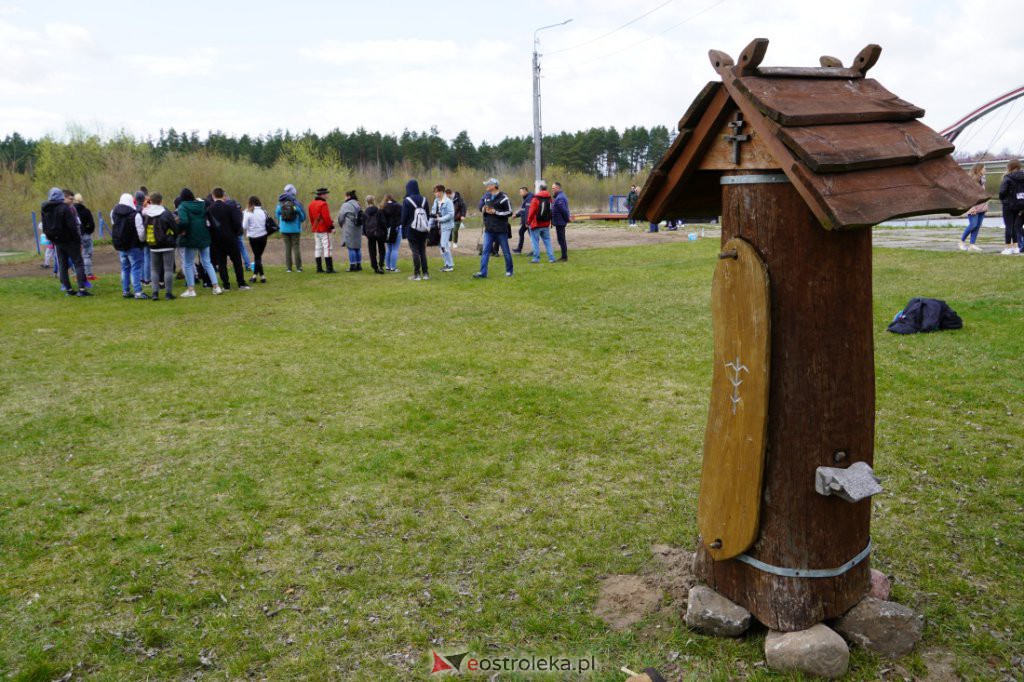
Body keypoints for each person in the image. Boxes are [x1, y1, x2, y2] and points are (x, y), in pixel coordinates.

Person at [40, 187, 90, 297]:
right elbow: (72, 226)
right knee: (78, 263)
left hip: (57, 241)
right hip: (70, 241)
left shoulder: (45, 208)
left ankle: (68, 289)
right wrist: (78, 240)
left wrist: (52, 239)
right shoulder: (65, 208)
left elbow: (44, 226)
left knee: (62, 265)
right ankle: (81, 288)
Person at [176, 188, 222, 297]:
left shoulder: (183, 206)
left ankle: (191, 289)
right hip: (204, 236)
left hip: (191, 238)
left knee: (187, 263)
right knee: (207, 262)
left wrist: (178, 230)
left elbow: (184, 221)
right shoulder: (202, 204)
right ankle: (216, 287)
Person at [207, 187, 250, 290]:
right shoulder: (230, 207)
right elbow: (237, 223)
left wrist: (212, 237)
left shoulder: (209, 210)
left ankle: (226, 285)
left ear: (213, 196)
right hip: (231, 238)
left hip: (217, 240)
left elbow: (208, 226)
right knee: (237, 261)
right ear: (223, 195)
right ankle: (241, 283)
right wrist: (235, 233)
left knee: (222, 263)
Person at [473, 178, 514, 279]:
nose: (486, 186)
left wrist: (496, 212)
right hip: (489, 230)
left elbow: (509, 212)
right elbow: (482, 207)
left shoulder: (504, 198)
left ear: (494, 186)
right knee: (485, 251)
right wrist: (483, 209)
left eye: (488, 184)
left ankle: (509, 271)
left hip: (501, 230)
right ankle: (483, 273)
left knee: (506, 252)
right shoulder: (487, 196)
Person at [142, 192, 178, 300]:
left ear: (151, 201)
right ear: (161, 201)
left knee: (154, 269)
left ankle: (155, 293)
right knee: (168, 269)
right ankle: (168, 293)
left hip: (153, 244)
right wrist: (173, 238)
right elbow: (175, 229)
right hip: (167, 244)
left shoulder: (147, 214)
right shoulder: (166, 213)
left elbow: (144, 229)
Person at [111, 192, 147, 299]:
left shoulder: (114, 213)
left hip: (121, 245)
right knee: (135, 268)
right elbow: (141, 233)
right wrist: (142, 241)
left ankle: (125, 290)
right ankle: (138, 292)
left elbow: (115, 226)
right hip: (134, 245)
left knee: (125, 268)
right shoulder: (135, 215)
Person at [402, 180, 430, 280]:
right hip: (423, 230)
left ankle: (417, 274)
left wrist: (403, 231)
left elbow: (404, 218)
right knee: (422, 251)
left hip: (411, 230)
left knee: (415, 252)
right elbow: (428, 215)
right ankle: (426, 273)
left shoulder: (407, 200)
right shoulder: (424, 200)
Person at [960, 163, 988, 252]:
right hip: (973, 207)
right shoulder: (972, 180)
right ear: (979, 169)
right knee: (973, 225)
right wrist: (972, 208)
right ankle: (961, 242)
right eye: (984, 168)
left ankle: (972, 244)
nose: (985, 170)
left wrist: (985, 205)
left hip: (982, 207)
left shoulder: (982, 180)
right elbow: (968, 195)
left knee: (977, 226)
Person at [998, 160, 1024, 255]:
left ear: (1010, 167)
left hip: (1008, 205)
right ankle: (1016, 247)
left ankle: (1008, 247)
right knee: (1015, 226)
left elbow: (1002, 192)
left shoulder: (1008, 178)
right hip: (1019, 205)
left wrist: (1002, 198)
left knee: (1008, 226)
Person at [277, 189, 306, 272]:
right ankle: (299, 267)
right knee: (296, 247)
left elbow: (277, 215)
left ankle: (289, 268)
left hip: (284, 230)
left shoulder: (280, 205)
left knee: (287, 248)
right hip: (295, 229)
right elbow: (303, 217)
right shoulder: (296, 205)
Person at [527, 181, 557, 264]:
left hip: (536, 224)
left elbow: (531, 212)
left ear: (539, 189)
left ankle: (536, 259)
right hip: (546, 223)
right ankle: (551, 258)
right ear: (546, 189)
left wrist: (528, 222)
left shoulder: (535, 199)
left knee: (535, 242)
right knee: (547, 241)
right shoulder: (550, 199)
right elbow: (551, 211)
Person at [309, 187, 336, 273]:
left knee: (318, 248)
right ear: (322, 195)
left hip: (316, 229)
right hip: (324, 229)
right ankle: (329, 268)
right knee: (327, 248)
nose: (327, 195)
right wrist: (332, 227)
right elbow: (326, 218)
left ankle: (319, 268)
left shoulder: (311, 204)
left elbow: (311, 218)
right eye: (326, 194)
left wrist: (314, 226)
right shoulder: (323, 204)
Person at [243, 196, 269, 283]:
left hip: (253, 237)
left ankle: (256, 276)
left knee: (257, 256)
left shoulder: (248, 212)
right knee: (258, 256)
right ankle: (261, 276)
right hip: (263, 236)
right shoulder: (264, 211)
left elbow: (244, 226)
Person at [338, 189, 363, 272]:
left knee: (351, 247)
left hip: (349, 227)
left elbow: (341, 216)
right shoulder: (358, 204)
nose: (344, 198)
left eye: (345, 196)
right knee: (357, 247)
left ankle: (353, 265)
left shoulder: (346, 205)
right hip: (358, 227)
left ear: (348, 196)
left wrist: (341, 224)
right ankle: (359, 265)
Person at [73, 193, 97, 281]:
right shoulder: (86, 211)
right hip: (85, 235)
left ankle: (78, 274)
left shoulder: (71, 210)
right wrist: (88, 231)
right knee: (87, 255)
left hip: (75, 236)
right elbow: (92, 225)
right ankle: (88, 274)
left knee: (77, 255)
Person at [432, 184, 455, 272]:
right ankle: (446, 264)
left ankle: (450, 265)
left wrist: (441, 219)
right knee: (440, 245)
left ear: (441, 192)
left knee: (444, 245)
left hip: (447, 226)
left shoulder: (448, 201)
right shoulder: (436, 201)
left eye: (436, 192)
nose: (435, 194)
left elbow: (451, 214)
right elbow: (433, 212)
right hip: (438, 226)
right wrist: (430, 225)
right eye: (434, 192)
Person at [363, 195, 387, 274]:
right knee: (382, 249)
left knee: (372, 250)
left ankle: (375, 266)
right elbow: (383, 222)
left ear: (366, 202)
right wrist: (385, 232)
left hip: (370, 233)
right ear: (374, 201)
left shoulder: (365, 212)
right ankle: (381, 266)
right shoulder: (379, 210)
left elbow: (364, 224)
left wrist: (365, 233)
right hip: (379, 232)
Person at [381, 193, 403, 273]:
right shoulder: (398, 206)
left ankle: (387, 266)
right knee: (395, 249)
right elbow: (402, 217)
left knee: (389, 249)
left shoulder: (383, 207)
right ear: (392, 198)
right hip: (396, 228)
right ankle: (393, 268)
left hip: (387, 229)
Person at [136, 188, 152, 285]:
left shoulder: (134, 209)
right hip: (146, 235)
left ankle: (141, 278)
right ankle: (147, 279)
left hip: (137, 236)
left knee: (141, 257)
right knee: (147, 257)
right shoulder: (146, 209)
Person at [552, 181, 570, 261]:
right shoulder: (560, 197)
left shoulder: (560, 198)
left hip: (560, 222)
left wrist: (567, 219)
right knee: (561, 239)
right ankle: (564, 256)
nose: (552, 190)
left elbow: (564, 210)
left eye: (553, 188)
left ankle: (564, 257)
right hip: (559, 222)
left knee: (561, 239)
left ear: (558, 188)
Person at [512, 186, 534, 254]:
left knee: (532, 235)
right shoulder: (525, 198)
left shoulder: (530, 198)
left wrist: (528, 222)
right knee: (521, 232)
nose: (520, 193)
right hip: (526, 221)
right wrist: (516, 215)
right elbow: (523, 210)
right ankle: (519, 249)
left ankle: (534, 251)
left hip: (529, 221)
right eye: (520, 192)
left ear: (525, 191)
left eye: (521, 192)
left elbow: (528, 211)